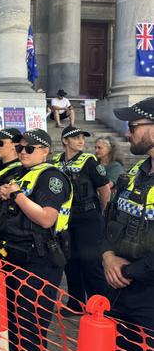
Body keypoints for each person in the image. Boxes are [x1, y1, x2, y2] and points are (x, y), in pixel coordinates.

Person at [0, 129, 73, 351]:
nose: (22, 153)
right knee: (18, 330)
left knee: (31, 332)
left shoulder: (51, 177)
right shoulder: (23, 174)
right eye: (19, 148)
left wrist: (15, 195)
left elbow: (46, 218)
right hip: (18, 260)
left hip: (40, 263)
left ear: (45, 151)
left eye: (29, 149)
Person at [102, 97, 154, 351]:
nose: (127, 134)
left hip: (144, 287)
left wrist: (126, 271)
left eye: (133, 127)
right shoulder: (133, 175)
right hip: (124, 292)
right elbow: (108, 221)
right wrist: (108, 256)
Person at [52, 126, 111, 312]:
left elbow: (104, 189)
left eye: (82, 138)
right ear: (64, 141)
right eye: (75, 137)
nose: (80, 141)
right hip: (66, 219)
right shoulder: (55, 162)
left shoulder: (89, 161)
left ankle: (99, 306)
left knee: (91, 262)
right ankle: (75, 303)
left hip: (88, 217)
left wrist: (103, 214)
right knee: (70, 261)